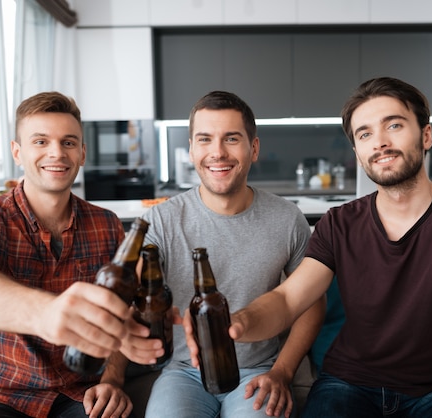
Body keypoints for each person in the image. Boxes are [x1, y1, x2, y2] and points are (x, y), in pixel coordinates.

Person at [185, 78, 432, 417]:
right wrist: (240, 322)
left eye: (394, 125)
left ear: (426, 135)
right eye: (365, 134)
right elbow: (288, 300)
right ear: (357, 152)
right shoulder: (338, 224)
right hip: (346, 386)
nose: (379, 142)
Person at [0, 91, 141, 418]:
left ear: (82, 153)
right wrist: (47, 313)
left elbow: (123, 310)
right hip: (0, 392)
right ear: (18, 151)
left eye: (69, 142)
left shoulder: (107, 224)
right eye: (41, 142)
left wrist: (113, 380)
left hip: (82, 393)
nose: (56, 153)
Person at [134, 90, 325, 418]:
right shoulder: (160, 221)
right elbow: (134, 290)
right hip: (184, 372)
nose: (217, 153)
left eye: (231, 139)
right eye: (205, 139)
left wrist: (282, 371)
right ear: (192, 149)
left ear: (254, 149)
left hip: (258, 369)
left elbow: (310, 303)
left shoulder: (287, 218)